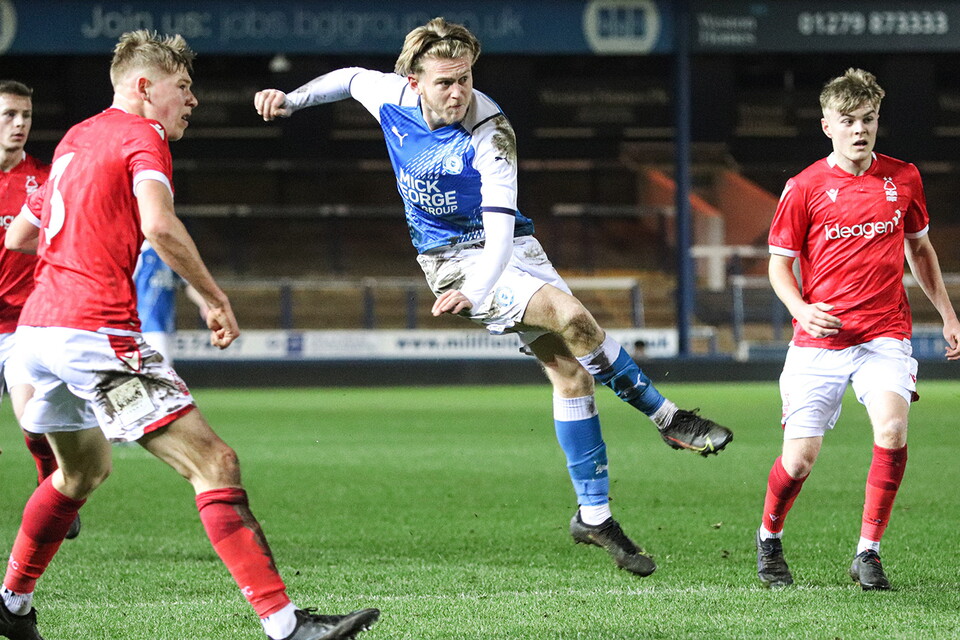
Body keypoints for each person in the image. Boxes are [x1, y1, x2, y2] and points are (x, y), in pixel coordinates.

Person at [254, 16, 733, 577]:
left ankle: (595, 515)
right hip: (451, 258)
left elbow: (501, 225)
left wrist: (480, 288)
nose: (459, 92)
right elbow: (350, 77)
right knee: (571, 316)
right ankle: (668, 417)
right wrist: (293, 98)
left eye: (465, 78)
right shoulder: (388, 95)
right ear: (412, 79)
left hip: (508, 247)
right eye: (444, 81)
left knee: (571, 375)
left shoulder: (492, 130)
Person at [0, 31, 379, 640]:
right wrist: (213, 293)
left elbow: (21, 235)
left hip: (37, 335)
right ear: (145, 87)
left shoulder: (76, 138)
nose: (193, 100)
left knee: (80, 473)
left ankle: (10, 602)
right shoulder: (140, 135)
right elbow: (159, 223)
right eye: (184, 87)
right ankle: (287, 627)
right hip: (94, 336)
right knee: (215, 462)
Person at [755, 68, 960, 591]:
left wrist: (948, 312)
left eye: (867, 119)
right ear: (827, 125)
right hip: (819, 341)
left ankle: (868, 551)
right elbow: (778, 265)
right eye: (848, 121)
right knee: (798, 461)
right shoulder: (803, 188)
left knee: (891, 430)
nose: (859, 130)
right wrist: (800, 309)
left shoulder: (904, 178)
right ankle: (769, 537)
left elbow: (920, 249)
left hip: (884, 333)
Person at [0, 80, 83, 540]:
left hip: (21, 324)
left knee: (33, 419)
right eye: (9, 114)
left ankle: (50, 485)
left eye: (26, 116)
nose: (19, 124)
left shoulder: (46, 180)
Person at [134, 239, 207, 363]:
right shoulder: (141, 253)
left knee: (162, 374)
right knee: (161, 376)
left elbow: (187, 284)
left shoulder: (170, 254)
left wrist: (205, 304)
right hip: (145, 326)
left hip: (167, 326)